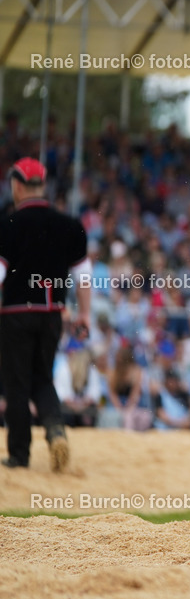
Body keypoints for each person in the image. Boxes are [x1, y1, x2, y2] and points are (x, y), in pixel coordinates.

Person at [0, 157, 91, 471]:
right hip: (53, 314)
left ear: (18, 184)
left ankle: (19, 454)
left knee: (16, 384)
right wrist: (86, 316)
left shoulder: (8, 225)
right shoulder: (70, 225)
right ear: (43, 184)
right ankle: (55, 430)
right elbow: (84, 276)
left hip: (14, 314)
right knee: (43, 377)